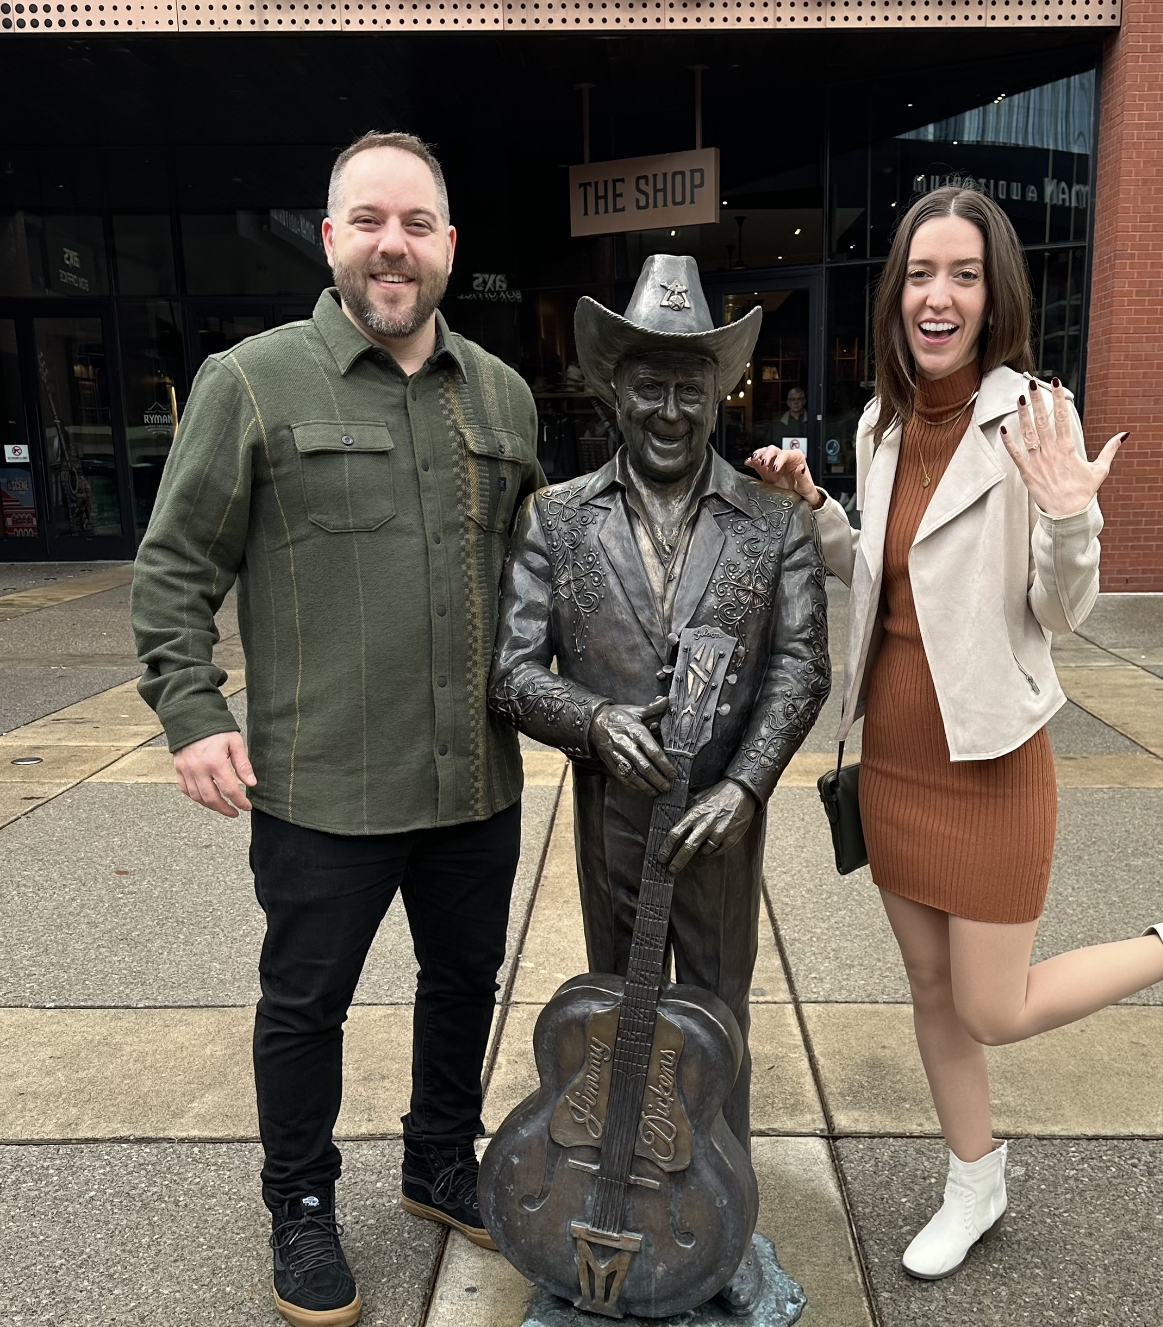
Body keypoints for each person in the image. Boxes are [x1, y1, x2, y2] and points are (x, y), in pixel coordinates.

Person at [746, 186, 1163, 1283]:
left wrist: (1074, 517)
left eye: (961, 275)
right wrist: (815, 512)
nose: (936, 297)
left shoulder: (1035, 417)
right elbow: (883, 582)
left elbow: (1059, 609)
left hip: (990, 764)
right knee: (932, 992)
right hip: (893, 758)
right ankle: (974, 1175)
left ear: (995, 296)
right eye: (918, 274)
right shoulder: (883, 419)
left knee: (993, 1004)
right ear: (896, 291)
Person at [131, 131, 544, 1327]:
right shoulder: (252, 382)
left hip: (475, 782)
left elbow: (539, 584)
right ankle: (302, 1209)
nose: (392, 245)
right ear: (330, 240)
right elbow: (173, 568)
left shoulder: (504, 397)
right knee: (305, 1007)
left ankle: (435, 1160)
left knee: (465, 980)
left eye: (415, 223)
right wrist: (191, 711)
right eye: (368, 221)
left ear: (449, 246)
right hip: (321, 791)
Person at [489, 253, 831, 1312]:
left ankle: (721, 1238)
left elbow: (800, 664)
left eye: (693, 384)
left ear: (722, 390)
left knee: (718, 1025)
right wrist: (589, 721)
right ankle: (626, 1211)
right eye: (650, 383)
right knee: (620, 1030)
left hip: (723, 828)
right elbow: (511, 671)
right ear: (613, 387)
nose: (671, 407)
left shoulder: (774, 523)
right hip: (613, 825)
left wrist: (747, 786)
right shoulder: (557, 517)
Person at [765, 386, 810, 453]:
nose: (796, 402)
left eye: (799, 399)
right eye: (792, 399)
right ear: (788, 403)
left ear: (804, 401)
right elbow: (768, 447)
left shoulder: (812, 421)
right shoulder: (777, 424)